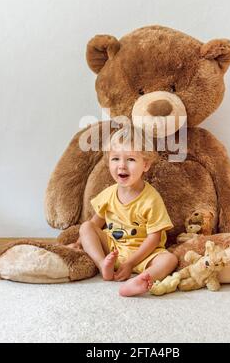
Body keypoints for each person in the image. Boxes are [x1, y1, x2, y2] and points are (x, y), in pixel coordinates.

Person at [67, 125, 178, 296]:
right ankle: (102, 265)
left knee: (169, 259)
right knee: (86, 227)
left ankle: (141, 279)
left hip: (143, 253)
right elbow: (95, 224)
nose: (122, 166)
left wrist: (131, 264)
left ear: (146, 164)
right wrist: (79, 243)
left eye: (131, 160)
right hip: (113, 249)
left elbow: (154, 239)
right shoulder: (109, 194)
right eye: (116, 159)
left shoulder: (151, 199)